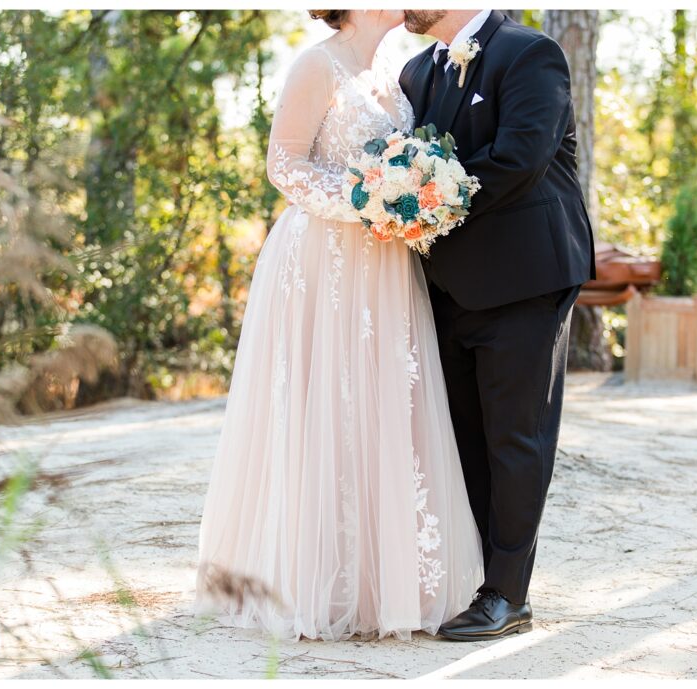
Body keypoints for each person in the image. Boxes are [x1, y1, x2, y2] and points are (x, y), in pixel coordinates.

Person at [193, 9, 484, 642]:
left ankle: (380, 585)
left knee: (384, 406)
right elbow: (285, 165)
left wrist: (411, 201)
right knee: (323, 404)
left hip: (385, 261)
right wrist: (367, 200)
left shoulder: (394, 71)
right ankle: (309, 580)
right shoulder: (315, 64)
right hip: (322, 259)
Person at [399, 9, 597, 640]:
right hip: (444, 285)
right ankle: (476, 579)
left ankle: (508, 595)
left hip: (525, 276)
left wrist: (421, 199)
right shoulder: (412, 72)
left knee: (516, 437)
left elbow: (520, 158)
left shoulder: (527, 53)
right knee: (463, 440)